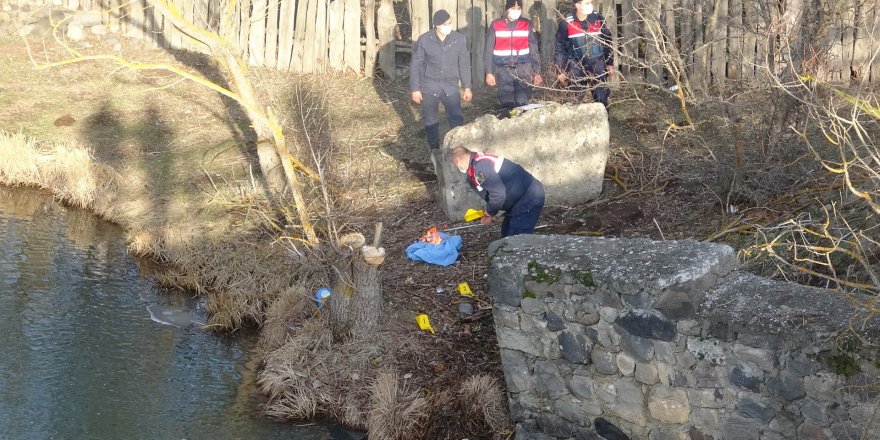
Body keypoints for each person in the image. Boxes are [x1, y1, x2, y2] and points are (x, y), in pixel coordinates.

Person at [410, 9, 473, 169]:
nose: (448, 26)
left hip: (450, 86)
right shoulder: (425, 40)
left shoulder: (459, 39)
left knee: (456, 118)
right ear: (436, 26)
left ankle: (459, 152)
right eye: (445, 24)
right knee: (431, 121)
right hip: (429, 85)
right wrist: (415, 88)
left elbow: (464, 64)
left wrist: (467, 87)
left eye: (449, 23)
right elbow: (415, 65)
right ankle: (435, 153)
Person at [450, 146, 544, 237]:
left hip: (529, 197)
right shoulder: (475, 167)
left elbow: (498, 194)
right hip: (517, 201)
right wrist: (492, 211)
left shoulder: (481, 167)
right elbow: (490, 192)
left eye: (455, 164)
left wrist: (489, 213)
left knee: (517, 238)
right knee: (506, 232)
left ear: (458, 161)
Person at [483, 0, 543, 113]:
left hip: (524, 69)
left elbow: (534, 50)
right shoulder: (496, 25)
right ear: (507, 9)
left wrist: (537, 72)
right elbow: (488, 50)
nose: (516, 11)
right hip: (503, 69)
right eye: (513, 9)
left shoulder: (527, 24)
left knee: (522, 101)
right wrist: (489, 72)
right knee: (506, 103)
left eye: (518, 9)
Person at [554, 0, 614, 107]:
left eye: (590, 2)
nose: (590, 5)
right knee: (574, 101)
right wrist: (560, 70)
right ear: (577, 5)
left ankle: (603, 122)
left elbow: (607, 42)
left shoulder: (598, 19)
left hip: (598, 64)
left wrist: (609, 63)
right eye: (587, 3)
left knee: (602, 100)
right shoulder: (566, 22)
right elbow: (560, 48)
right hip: (576, 65)